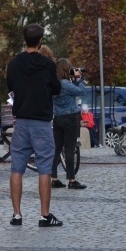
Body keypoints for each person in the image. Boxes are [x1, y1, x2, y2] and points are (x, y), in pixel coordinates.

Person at [6, 23, 62, 227]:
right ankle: (45, 215)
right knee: (45, 168)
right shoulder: (47, 65)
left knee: (17, 168)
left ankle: (17, 214)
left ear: (25, 40)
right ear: (40, 41)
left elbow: (10, 85)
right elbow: (56, 88)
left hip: (21, 121)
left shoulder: (14, 63)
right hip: (42, 121)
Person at [51, 58, 87, 189]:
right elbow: (81, 91)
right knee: (70, 150)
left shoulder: (54, 83)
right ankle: (72, 180)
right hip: (70, 117)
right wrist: (79, 78)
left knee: (56, 149)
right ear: (66, 70)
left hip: (58, 118)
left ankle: (54, 178)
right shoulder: (65, 83)